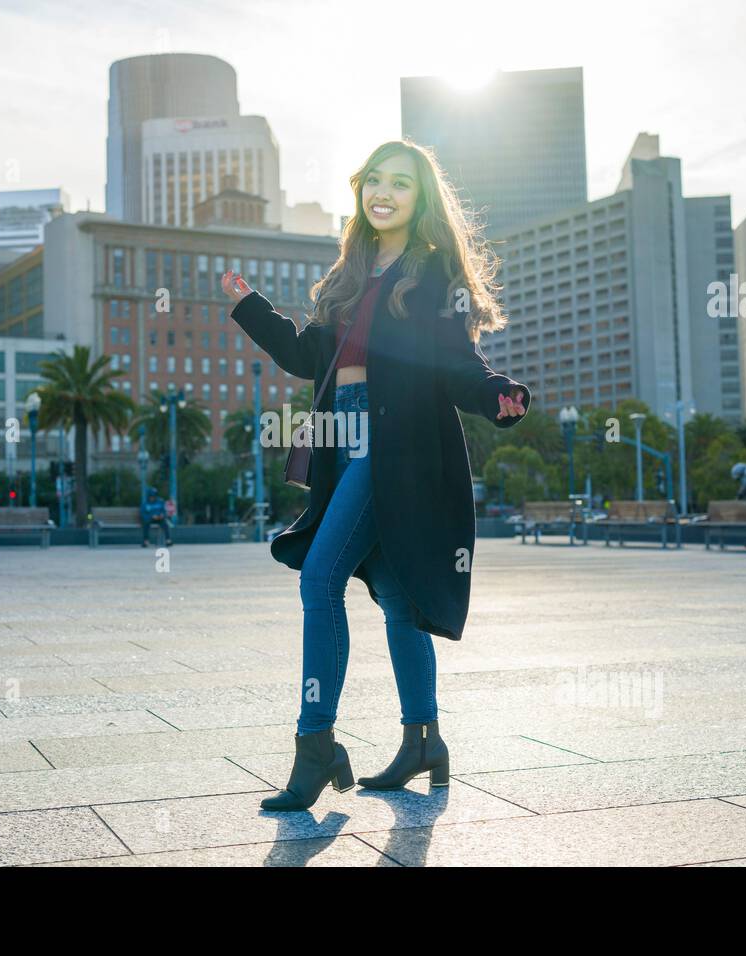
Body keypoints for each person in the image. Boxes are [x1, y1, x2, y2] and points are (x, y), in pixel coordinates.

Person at [222, 139, 531, 811]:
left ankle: (316, 746)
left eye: (400, 183)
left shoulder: (432, 271)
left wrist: (496, 394)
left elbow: (459, 361)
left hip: (398, 446)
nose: (383, 192)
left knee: (320, 577)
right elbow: (308, 359)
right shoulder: (351, 273)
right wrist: (253, 307)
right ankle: (423, 740)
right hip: (346, 439)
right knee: (395, 594)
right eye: (374, 181)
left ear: (420, 200)